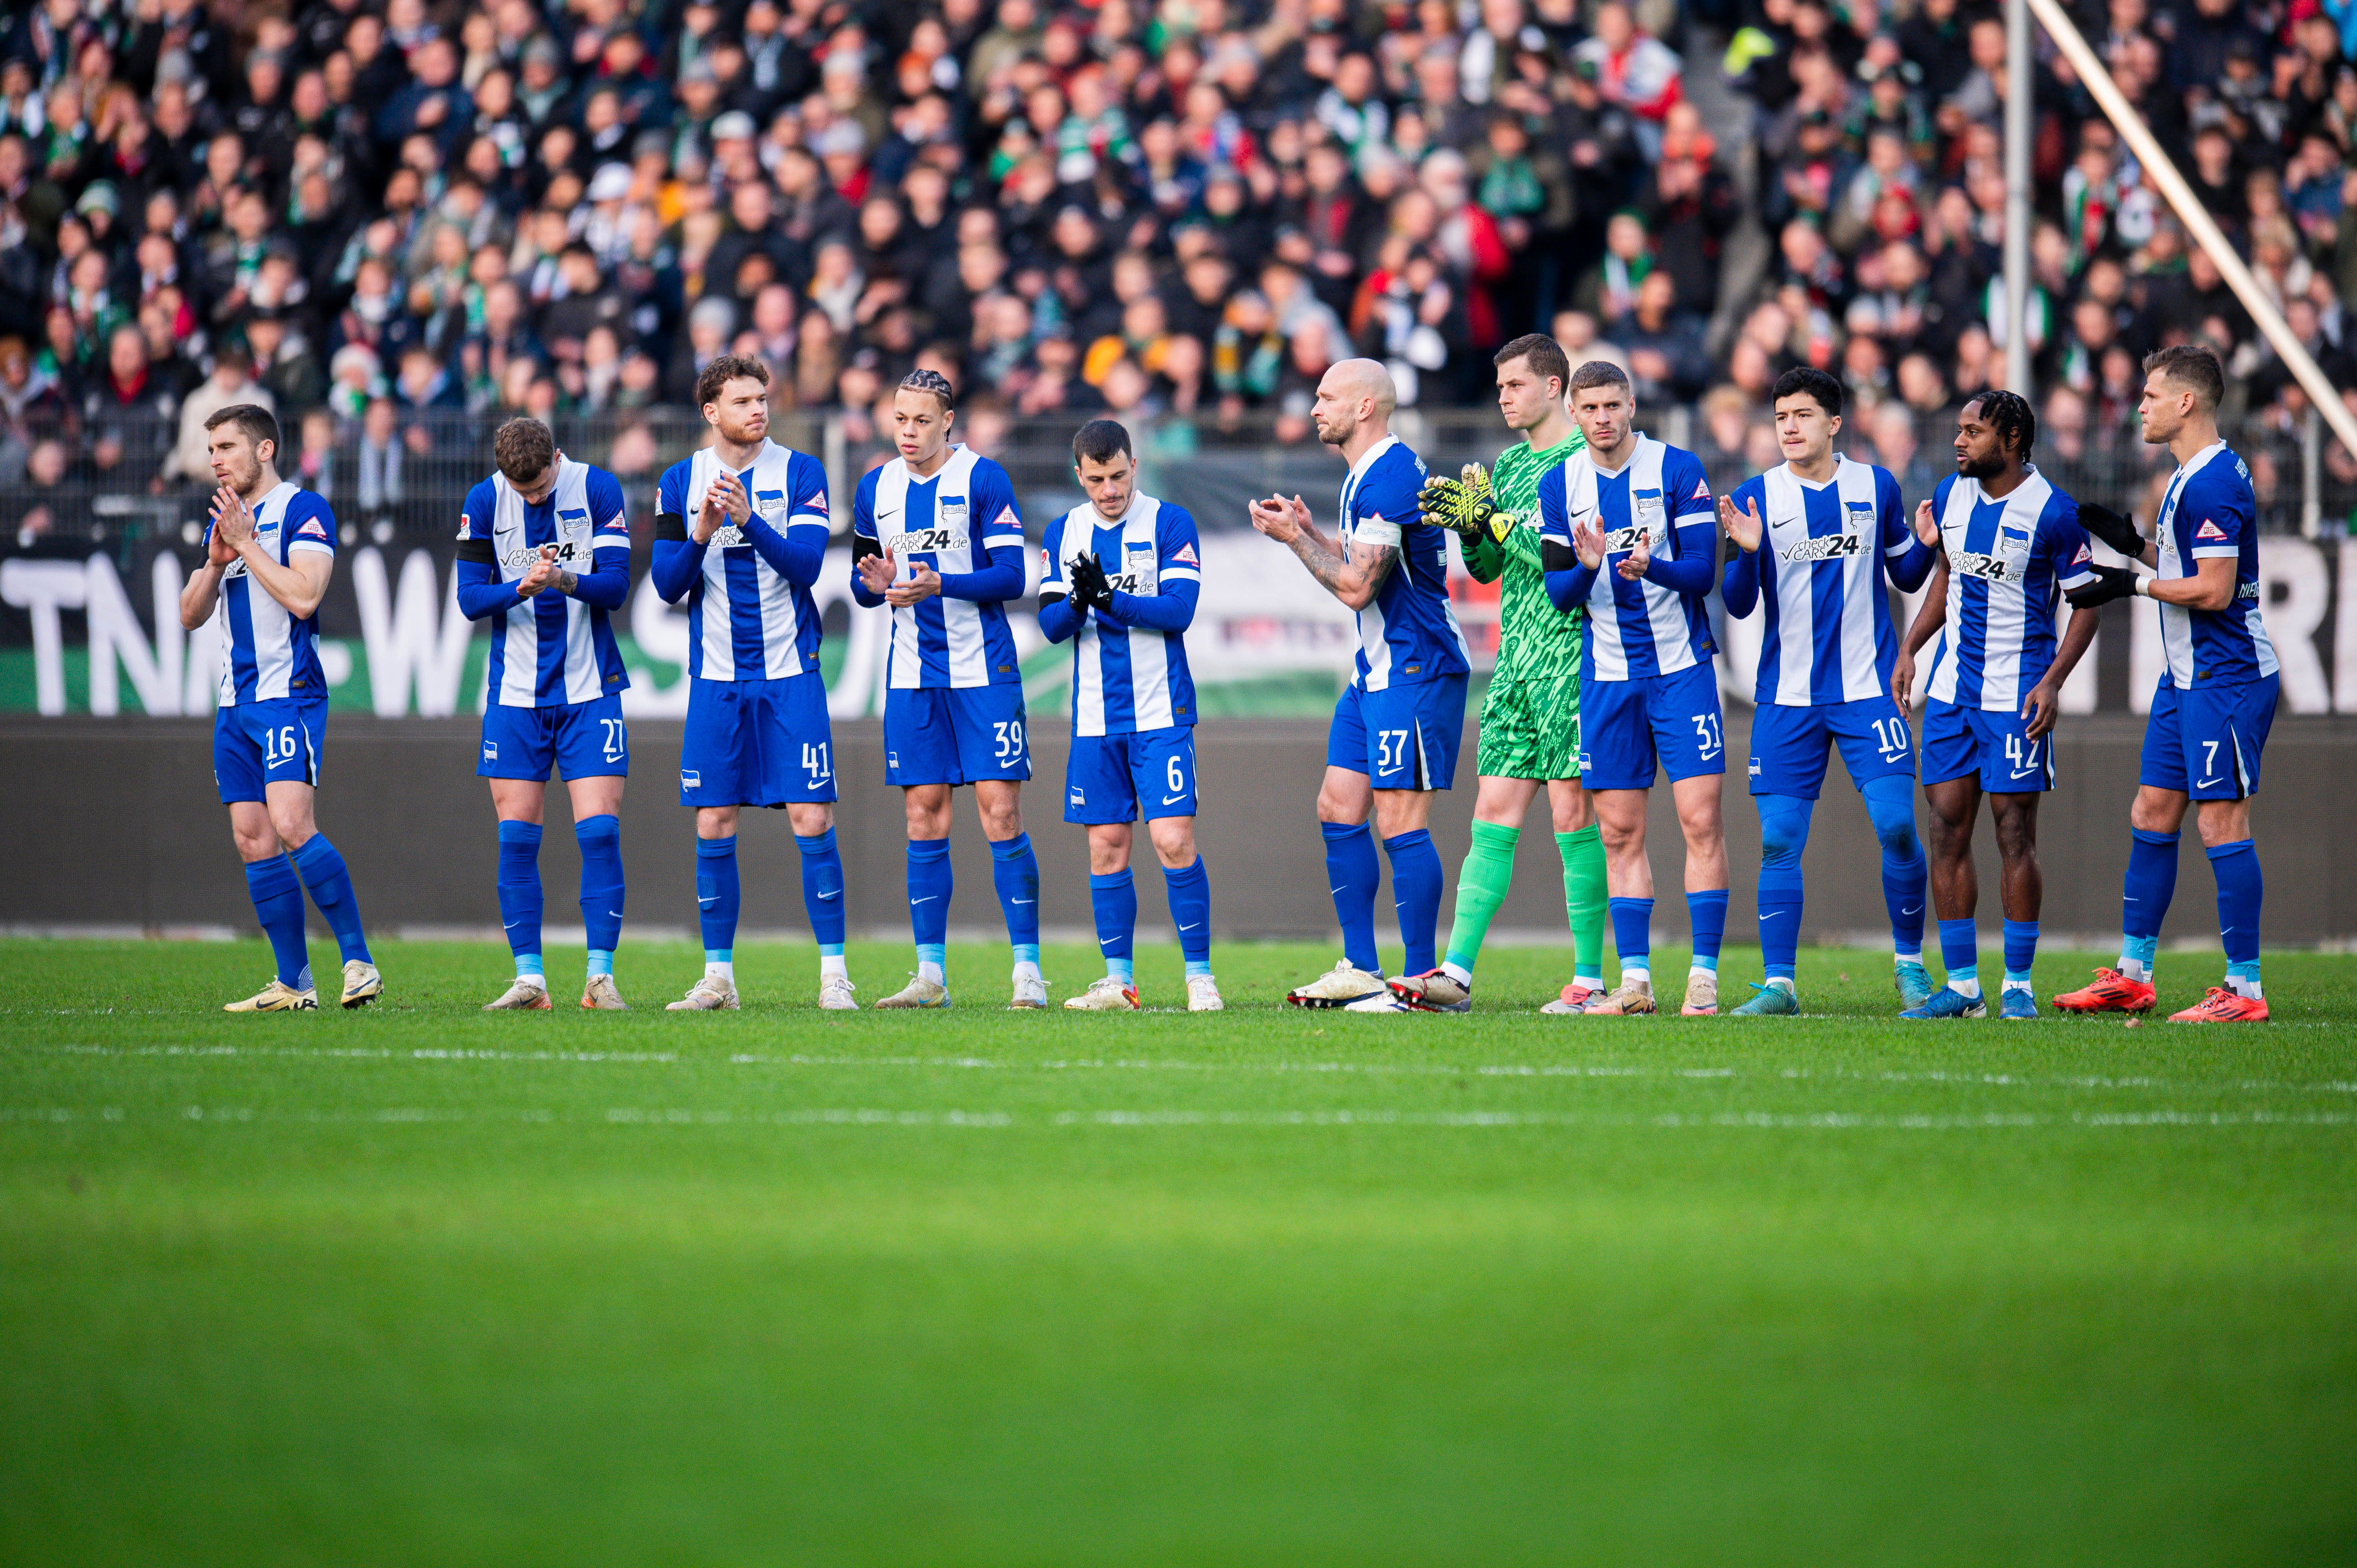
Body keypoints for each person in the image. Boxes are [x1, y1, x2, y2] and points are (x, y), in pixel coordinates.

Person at [2053, 346, 2278, 1023]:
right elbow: (2191, 566)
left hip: (2226, 675)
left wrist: (2131, 583)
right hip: (2185, 677)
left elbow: (2212, 590)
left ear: (2186, 402)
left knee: (2219, 820)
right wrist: (2134, 547)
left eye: (2150, 396)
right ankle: (2132, 977)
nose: (2140, 407)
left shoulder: (2209, 483)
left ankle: (2244, 990)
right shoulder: (2191, 473)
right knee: (2151, 810)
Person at [1397, 334, 1610, 1014]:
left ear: (1553, 387)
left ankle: (1589, 979)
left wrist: (1490, 519)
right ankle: (1455, 975)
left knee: (1572, 813)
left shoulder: (1586, 462)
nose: (1503, 398)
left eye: (1514, 385)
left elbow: (1561, 554)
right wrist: (1471, 529)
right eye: (1498, 388)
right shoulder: (1510, 464)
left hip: (1570, 658)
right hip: (1514, 664)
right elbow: (1487, 570)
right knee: (1490, 813)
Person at [1718, 366, 1939, 1016]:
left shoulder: (1876, 485)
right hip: (1786, 696)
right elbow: (1737, 604)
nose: (1789, 427)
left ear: (1834, 423)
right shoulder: (1757, 496)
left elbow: (1905, 573)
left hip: (1867, 688)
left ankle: (1909, 966)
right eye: (1780, 417)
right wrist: (1746, 551)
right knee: (1779, 839)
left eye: (1803, 415)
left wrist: (1926, 547)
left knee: (1897, 825)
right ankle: (1779, 985)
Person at [1248, 359, 1469, 1010]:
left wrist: (1295, 541)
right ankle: (1362, 969)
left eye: (1326, 397)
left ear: (1365, 407)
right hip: (1374, 671)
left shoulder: (1391, 477)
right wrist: (1312, 532)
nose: (1315, 408)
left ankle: (1422, 980)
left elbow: (1356, 588)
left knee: (1400, 818)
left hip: (1416, 667)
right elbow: (1365, 565)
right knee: (1337, 806)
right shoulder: (1364, 474)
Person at [651, 354, 855, 1013]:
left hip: (791, 672)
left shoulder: (800, 472)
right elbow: (666, 585)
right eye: (742, 401)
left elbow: (806, 566)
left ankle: (834, 976)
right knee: (713, 819)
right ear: (711, 412)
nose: (758, 410)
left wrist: (747, 519)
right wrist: (700, 533)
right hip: (716, 678)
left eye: (762, 398)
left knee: (811, 814)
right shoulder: (678, 481)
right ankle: (719, 978)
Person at [1893, 392, 2102, 1021]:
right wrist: (1910, 647)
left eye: (1972, 431)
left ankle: (2017, 985)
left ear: (2011, 439)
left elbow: (2086, 605)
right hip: (1951, 693)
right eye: (1959, 430)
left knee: (2013, 832)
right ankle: (1962, 988)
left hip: (2015, 696)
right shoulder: (1951, 495)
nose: (1958, 441)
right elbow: (1947, 576)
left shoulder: (2054, 512)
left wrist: (2053, 682)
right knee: (1944, 828)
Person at [1539, 360, 1730, 1016]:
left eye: (1612, 405)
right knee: (1618, 832)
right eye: (1589, 408)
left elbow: (1703, 574)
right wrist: (1588, 565)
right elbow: (1559, 593)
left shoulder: (1676, 468)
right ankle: (1636, 982)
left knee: (1700, 820)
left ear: (1630, 406)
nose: (1602, 418)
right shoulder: (1558, 483)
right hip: (1608, 677)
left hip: (1681, 670)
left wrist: (1655, 568)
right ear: (1572, 413)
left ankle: (1703, 976)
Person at [850, 368, 1045, 1009]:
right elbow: (862, 582)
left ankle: (1027, 971)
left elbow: (1011, 575)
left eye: (922, 421)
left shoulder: (982, 479)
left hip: (983, 670)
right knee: (922, 813)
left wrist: (942, 583)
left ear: (948, 422)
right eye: (900, 420)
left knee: (1000, 811)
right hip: (912, 675)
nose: (908, 432)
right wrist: (874, 584)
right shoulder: (875, 487)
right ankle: (929, 975)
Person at [175, 404, 380, 1012]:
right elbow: (189, 615)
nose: (215, 459)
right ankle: (294, 982)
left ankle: (359, 962)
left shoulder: (302, 509)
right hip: (234, 702)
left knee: (292, 824)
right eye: (211, 449)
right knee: (252, 838)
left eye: (227, 447)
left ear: (264, 450)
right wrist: (217, 562)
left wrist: (247, 544)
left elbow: (305, 597)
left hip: (287, 693)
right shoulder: (227, 520)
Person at [1037, 418, 1223, 1012]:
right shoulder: (1063, 531)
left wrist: (1110, 599)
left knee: (1172, 839)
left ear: (1134, 465)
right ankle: (1119, 981)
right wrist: (1078, 601)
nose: (1110, 490)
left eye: (1118, 476)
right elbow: (1050, 626)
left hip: (1161, 710)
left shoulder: (1170, 522)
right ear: (1080, 475)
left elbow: (1179, 611)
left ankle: (1200, 977)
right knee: (1106, 848)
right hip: (1094, 719)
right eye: (1097, 480)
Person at [454, 417, 635, 1012]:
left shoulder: (597, 488)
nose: (533, 499)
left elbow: (616, 588)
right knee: (516, 838)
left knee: (600, 831)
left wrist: (561, 578)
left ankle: (599, 979)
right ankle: (529, 980)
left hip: (590, 689)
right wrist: (519, 589)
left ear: (557, 459)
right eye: (522, 490)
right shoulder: (484, 500)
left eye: (540, 487)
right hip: (514, 695)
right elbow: (469, 599)